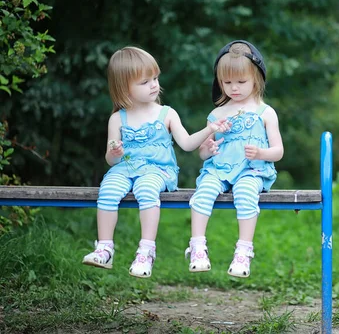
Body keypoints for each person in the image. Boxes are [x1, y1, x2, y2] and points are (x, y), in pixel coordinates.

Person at [82, 46, 230, 278]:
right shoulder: (117, 118)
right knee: (108, 189)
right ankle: (104, 248)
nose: (154, 85)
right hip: (126, 168)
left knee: (146, 188)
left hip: (158, 171)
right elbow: (111, 160)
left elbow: (187, 144)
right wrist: (116, 151)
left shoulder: (167, 114)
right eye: (144, 82)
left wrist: (209, 130)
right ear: (124, 87)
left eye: (155, 78)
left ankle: (146, 251)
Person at [186, 40, 284, 278]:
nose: (234, 88)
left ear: (256, 79)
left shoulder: (265, 112)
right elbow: (203, 153)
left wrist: (261, 153)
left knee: (246, 193)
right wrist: (207, 148)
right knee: (204, 191)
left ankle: (243, 251)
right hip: (219, 169)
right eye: (227, 83)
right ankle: (197, 246)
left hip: (251, 171)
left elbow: (278, 151)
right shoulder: (217, 113)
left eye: (241, 82)